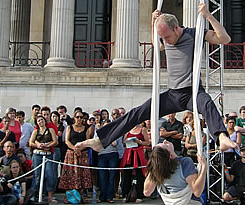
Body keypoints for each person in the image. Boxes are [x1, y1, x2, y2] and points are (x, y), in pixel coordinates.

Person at [75, 3, 237, 154]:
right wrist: (153, 23)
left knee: (207, 103)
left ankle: (221, 137)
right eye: (163, 38)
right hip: (173, 95)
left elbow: (225, 39)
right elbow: (156, 44)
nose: (165, 42)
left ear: (176, 28)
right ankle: (100, 140)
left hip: (192, 92)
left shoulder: (194, 34)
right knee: (136, 113)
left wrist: (208, 16)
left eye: (166, 37)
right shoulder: (165, 39)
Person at [58, 111, 92, 203]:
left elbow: (88, 141)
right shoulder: (70, 128)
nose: (80, 119)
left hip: (82, 154)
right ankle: (69, 196)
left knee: (82, 174)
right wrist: (75, 149)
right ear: (74, 118)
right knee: (70, 174)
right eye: (78, 117)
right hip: (71, 154)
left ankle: (80, 196)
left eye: (81, 117)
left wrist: (80, 149)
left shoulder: (86, 129)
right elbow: (67, 141)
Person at [29, 115, 58, 203]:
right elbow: (31, 142)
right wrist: (38, 145)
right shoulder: (35, 131)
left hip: (47, 154)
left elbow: (55, 141)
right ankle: (34, 194)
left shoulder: (50, 130)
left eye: (42, 120)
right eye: (38, 121)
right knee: (37, 175)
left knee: (49, 174)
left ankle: (49, 196)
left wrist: (48, 145)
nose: (40, 122)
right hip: (37, 154)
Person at [120, 124, 150, 203]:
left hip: (138, 153)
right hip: (129, 153)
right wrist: (127, 141)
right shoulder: (128, 129)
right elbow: (123, 143)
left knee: (139, 174)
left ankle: (140, 195)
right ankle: (126, 194)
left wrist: (139, 141)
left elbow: (147, 142)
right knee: (126, 174)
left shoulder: (142, 129)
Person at [50, 111, 65, 192]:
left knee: (54, 169)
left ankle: (54, 188)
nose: (54, 118)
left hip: (56, 148)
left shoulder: (61, 126)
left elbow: (59, 135)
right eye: (53, 116)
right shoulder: (49, 126)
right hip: (49, 149)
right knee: (50, 169)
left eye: (56, 116)